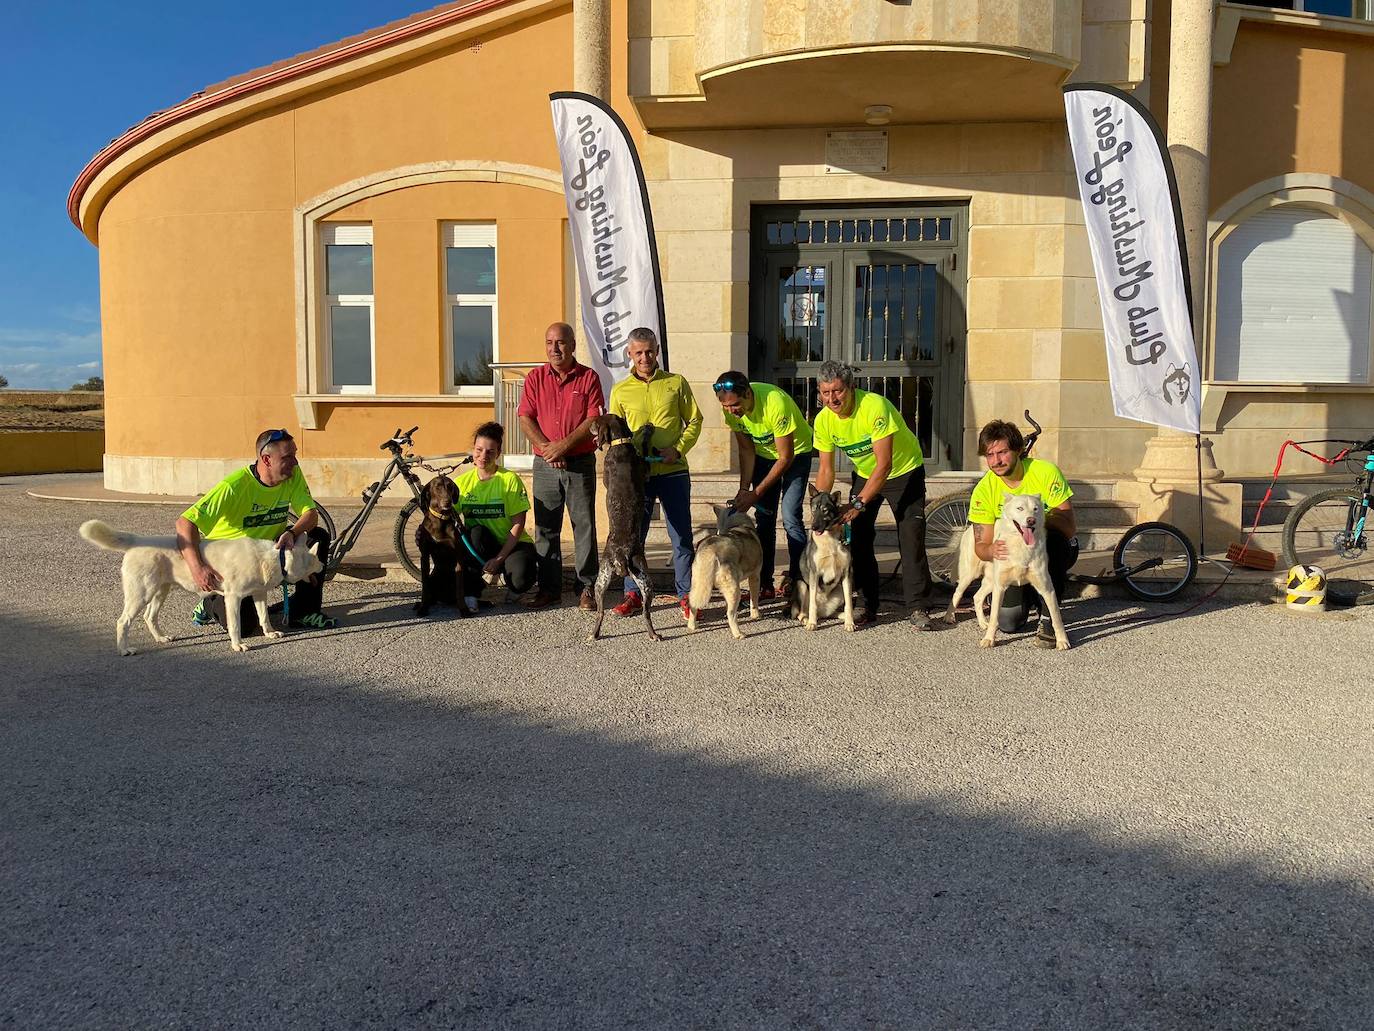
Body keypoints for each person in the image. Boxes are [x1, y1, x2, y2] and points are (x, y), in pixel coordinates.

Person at [812, 361, 934, 630]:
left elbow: (885, 465)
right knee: (859, 537)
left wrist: (858, 502)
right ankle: (867, 604)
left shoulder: (874, 406)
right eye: (825, 393)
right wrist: (820, 503)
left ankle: (918, 607)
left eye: (838, 391)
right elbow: (825, 468)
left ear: (851, 387)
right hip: (866, 473)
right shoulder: (823, 420)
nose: (832, 399)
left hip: (903, 471)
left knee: (910, 537)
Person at [177, 428, 336, 632]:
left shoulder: (292, 475)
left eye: (295, 455)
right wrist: (197, 568)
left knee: (317, 537)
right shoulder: (233, 486)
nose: (295, 462)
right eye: (288, 457)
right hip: (231, 564)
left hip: (265, 553)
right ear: (267, 459)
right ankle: (209, 604)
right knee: (245, 628)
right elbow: (184, 523)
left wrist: (292, 533)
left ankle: (304, 612)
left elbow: (311, 515)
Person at [607, 326, 703, 619]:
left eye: (649, 351)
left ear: (657, 350)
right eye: (638, 353)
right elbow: (614, 433)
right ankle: (633, 594)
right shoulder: (621, 390)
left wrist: (678, 448)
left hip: (673, 471)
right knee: (633, 536)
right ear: (629, 354)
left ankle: (686, 596)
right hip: (637, 477)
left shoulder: (676, 382)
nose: (645, 357)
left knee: (681, 537)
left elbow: (695, 420)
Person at [517, 321, 605, 611]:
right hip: (544, 464)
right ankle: (549, 589)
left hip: (579, 462)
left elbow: (593, 419)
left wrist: (562, 446)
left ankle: (587, 587)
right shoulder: (535, 378)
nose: (555, 349)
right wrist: (547, 448)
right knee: (545, 527)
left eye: (561, 342)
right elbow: (525, 418)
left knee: (584, 525)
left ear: (572, 345)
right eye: (549, 342)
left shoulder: (588, 378)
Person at [968, 418, 1078, 647]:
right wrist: (990, 549)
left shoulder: (1045, 471)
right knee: (1008, 623)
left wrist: (1036, 520)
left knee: (1054, 542)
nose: (996, 461)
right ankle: (1029, 595)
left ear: (1018, 449)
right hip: (1013, 558)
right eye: (990, 455)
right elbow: (981, 546)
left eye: (1003, 452)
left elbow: (1069, 527)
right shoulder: (984, 490)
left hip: (1053, 548)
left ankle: (1048, 618)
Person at [713, 371, 814, 600]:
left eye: (735, 404)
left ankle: (799, 581)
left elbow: (785, 457)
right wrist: (743, 490)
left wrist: (756, 493)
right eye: (726, 407)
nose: (731, 410)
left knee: (790, 516)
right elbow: (747, 450)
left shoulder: (774, 402)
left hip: (795, 455)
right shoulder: (730, 409)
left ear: (748, 393)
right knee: (765, 520)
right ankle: (764, 582)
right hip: (763, 455)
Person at [453, 421, 538, 609]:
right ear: (473, 450)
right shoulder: (461, 483)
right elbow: (447, 516)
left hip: (513, 544)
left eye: (490, 452)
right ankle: (472, 590)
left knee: (520, 579)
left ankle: (512, 582)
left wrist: (500, 558)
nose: (483, 456)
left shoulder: (509, 480)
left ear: (498, 454)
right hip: (482, 543)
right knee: (472, 533)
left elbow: (518, 524)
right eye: (479, 449)